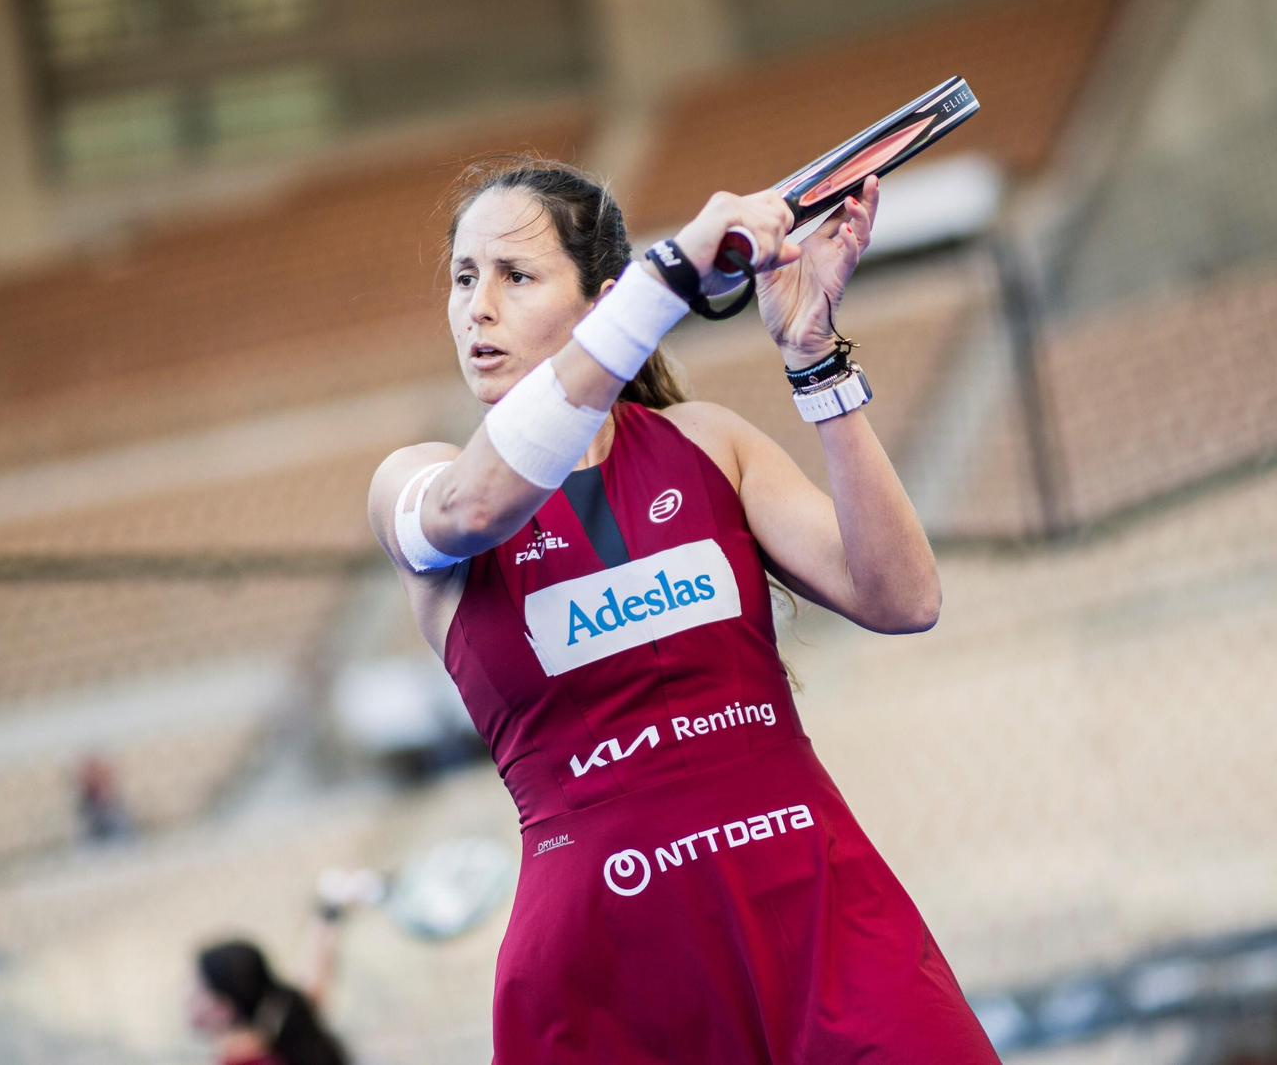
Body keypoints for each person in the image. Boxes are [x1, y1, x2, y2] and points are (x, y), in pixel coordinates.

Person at [366, 157, 999, 1063]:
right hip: (610, 965)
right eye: (465, 279)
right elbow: (474, 507)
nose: (478, 308)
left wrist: (813, 358)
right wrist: (666, 283)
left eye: (516, 276)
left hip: (812, 906)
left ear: (600, 301)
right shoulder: (422, 480)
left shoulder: (707, 441)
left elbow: (906, 598)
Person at [187, 938, 350, 1065]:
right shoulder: (287, 1029)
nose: (187, 997)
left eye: (197, 990)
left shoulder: (248, 1058)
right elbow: (313, 983)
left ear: (221, 1009)